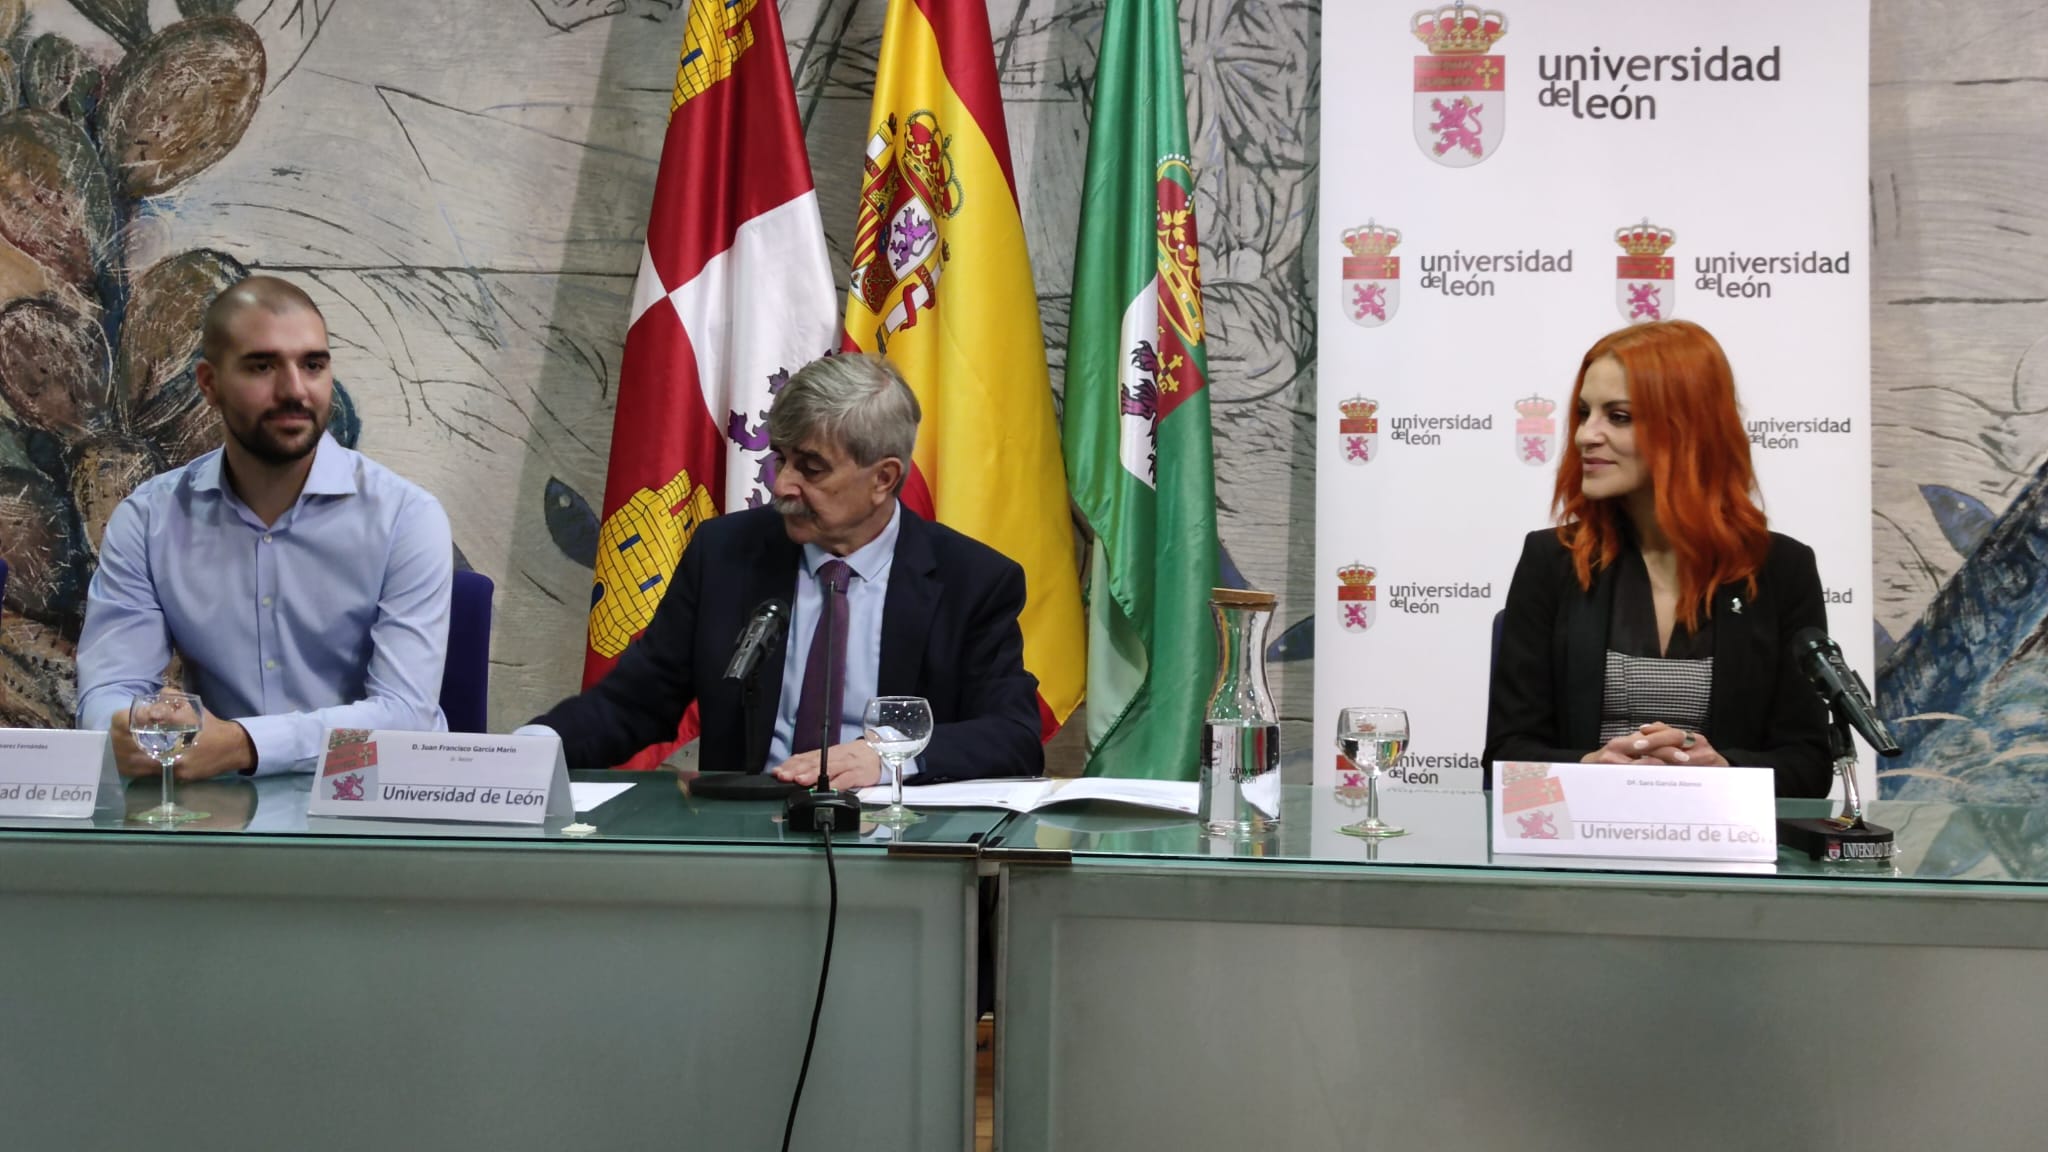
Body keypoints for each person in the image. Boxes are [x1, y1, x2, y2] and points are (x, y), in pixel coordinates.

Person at [528, 352, 1043, 786]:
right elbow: (635, 703)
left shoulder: (970, 580)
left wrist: (887, 758)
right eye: (781, 459)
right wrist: (530, 751)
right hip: (746, 844)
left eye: (811, 468)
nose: (783, 486)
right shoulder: (725, 554)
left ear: (884, 478)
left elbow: (1012, 737)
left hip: (893, 847)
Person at [75, 276, 453, 778]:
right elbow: (108, 693)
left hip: (377, 800)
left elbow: (405, 716)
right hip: (214, 806)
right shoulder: (149, 520)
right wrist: (125, 725)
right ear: (209, 384)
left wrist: (243, 744)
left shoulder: (407, 517)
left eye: (313, 365)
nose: (295, 390)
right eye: (262, 366)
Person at [1482, 320, 1832, 797]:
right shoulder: (1550, 561)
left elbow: (1809, 766)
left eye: (1618, 416)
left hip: (1724, 857)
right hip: (1579, 855)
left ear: (1689, 428)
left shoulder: (1781, 570)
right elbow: (1504, 761)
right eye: (1585, 413)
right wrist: (1589, 768)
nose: (1587, 435)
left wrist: (1725, 771)